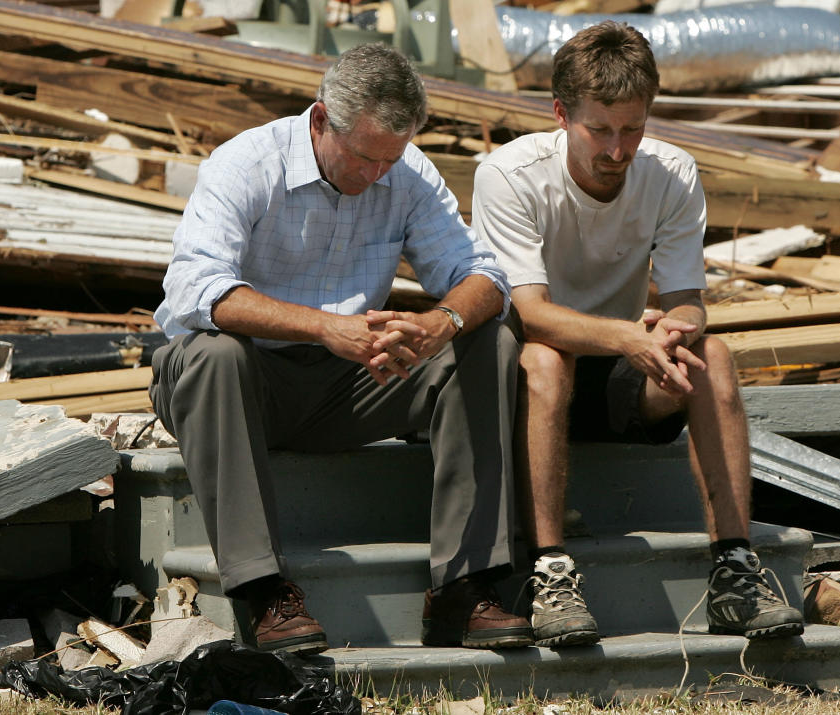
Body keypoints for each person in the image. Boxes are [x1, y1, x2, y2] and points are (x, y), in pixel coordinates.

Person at [149, 43, 532, 655]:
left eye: (391, 157)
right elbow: (196, 290)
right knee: (213, 352)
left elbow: (486, 276)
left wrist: (441, 321)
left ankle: (465, 585)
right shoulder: (246, 162)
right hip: (242, 382)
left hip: (349, 381)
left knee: (491, 338)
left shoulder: (406, 172)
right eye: (364, 157)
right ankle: (262, 590)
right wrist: (325, 327)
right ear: (321, 119)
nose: (377, 174)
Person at [471, 21, 805, 647]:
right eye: (599, 129)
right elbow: (531, 313)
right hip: (528, 383)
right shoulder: (509, 175)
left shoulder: (673, 172)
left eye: (633, 129)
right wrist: (629, 336)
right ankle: (550, 573)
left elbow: (689, 303)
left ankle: (735, 567)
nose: (617, 150)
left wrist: (673, 331)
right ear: (560, 113)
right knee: (544, 358)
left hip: (626, 373)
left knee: (715, 356)